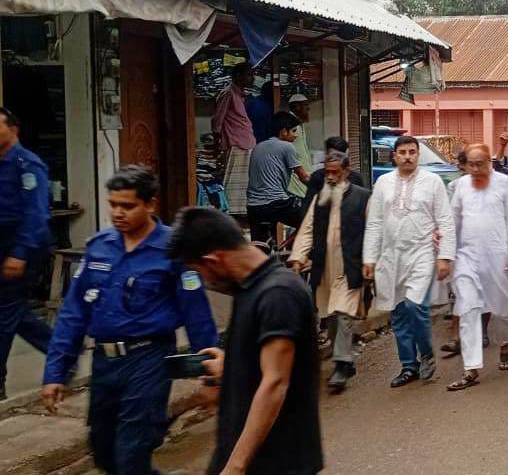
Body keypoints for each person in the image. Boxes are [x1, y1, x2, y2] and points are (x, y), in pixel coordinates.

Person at [40, 167, 217, 474]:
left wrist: (211, 374)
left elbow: (197, 315)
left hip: (149, 359)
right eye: (113, 205)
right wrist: (55, 373)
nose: (117, 213)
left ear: (149, 204)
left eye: (127, 206)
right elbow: (73, 314)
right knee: (104, 453)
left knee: (132, 454)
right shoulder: (99, 246)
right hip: (105, 363)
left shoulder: (173, 249)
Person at [167, 208, 322, 475]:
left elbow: (275, 383)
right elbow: (265, 365)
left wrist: (235, 467)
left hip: (276, 462)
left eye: (199, 272)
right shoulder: (249, 287)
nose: (205, 282)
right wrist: (230, 368)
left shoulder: (278, 295)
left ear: (213, 260)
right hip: (249, 455)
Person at [364, 135, 456, 387]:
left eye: (412, 152)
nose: (407, 156)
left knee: (415, 306)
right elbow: (374, 223)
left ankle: (426, 351)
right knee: (399, 313)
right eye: (402, 152)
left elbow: (445, 220)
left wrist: (445, 257)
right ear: (394, 156)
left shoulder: (432, 181)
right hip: (391, 255)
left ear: (418, 155)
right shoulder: (383, 183)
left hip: (422, 252)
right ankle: (408, 365)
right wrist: (369, 258)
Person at [288, 152, 371, 392]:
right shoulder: (320, 199)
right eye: (327, 173)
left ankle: (341, 365)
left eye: (335, 172)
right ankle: (343, 359)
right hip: (325, 268)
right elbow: (307, 231)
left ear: (346, 172)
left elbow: (374, 232)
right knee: (330, 314)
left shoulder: (362, 198)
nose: (331, 177)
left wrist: (371, 262)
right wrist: (298, 258)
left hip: (350, 266)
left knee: (342, 312)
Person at [448, 144, 508, 391]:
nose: (477, 169)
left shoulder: (503, 183)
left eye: (481, 164)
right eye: (472, 164)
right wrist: (448, 253)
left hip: (499, 257)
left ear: (489, 162)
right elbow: (454, 220)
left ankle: (505, 344)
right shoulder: (460, 187)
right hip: (467, 258)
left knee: (502, 307)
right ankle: (471, 368)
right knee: (467, 309)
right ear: (466, 165)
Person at [0, 107, 52, 401]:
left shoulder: (28, 165)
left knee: (6, 315)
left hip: (20, 248)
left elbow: (36, 215)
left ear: (14, 130)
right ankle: (62, 349)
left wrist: (19, 253)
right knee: (15, 314)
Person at [246, 111, 309, 243]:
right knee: (313, 220)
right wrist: (323, 187)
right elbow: (304, 177)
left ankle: (277, 250)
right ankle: (289, 249)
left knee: (261, 247)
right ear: (283, 132)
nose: (296, 135)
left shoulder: (258, 147)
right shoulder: (287, 147)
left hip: (254, 207)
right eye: (293, 131)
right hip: (276, 204)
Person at [213, 63, 258, 217]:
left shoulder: (239, 94)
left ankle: (240, 212)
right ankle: (230, 212)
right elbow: (218, 119)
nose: (253, 78)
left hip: (245, 142)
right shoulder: (228, 93)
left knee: (244, 181)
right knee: (233, 181)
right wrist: (217, 141)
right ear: (238, 75)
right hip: (236, 143)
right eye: (249, 74)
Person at [303, 136, 364, 207]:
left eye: (338, 156)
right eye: (331, 156)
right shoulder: (317, 177)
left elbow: (361, 205)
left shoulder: (356, 178)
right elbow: (308, 205)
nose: (334, 159)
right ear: (326, 155)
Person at [285, 94, 313, 198]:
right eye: (306, 106)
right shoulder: (289, 124)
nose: (308, 109)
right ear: (297, 107)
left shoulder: (298, 123)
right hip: (295, 173)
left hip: (303, 172)